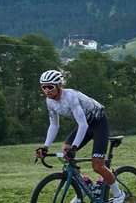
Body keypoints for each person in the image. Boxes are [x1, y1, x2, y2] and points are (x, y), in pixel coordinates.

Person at [34, 70, 126, 203]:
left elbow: (82, 125)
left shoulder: (70, 96)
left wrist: (74, 148)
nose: (47, 90)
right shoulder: (50, 102)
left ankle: (119, 195)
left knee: (97, 166)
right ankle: (84, 184)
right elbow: (54, 126)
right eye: (44, 87)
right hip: (86, 124)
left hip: (99, 122)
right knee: (63, 153)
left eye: (50, 87)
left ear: (60, 86)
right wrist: (45, 146)